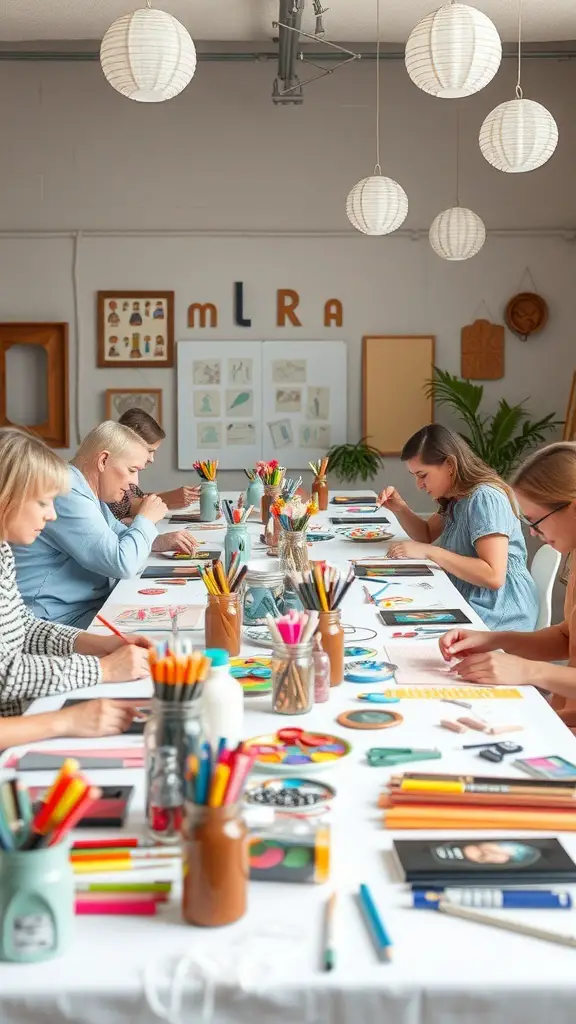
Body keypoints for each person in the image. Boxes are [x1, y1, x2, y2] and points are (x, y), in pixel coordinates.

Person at [0, 427, 151, 746]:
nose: (53, 515)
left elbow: (23, 627)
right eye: (43, 503)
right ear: (6, 497)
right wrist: (102, 671)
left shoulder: (3, 553)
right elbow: (6, 675)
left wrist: (100, 644)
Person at [13, 421, 197, 630]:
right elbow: (121, 563)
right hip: (54, 619)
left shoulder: (86, 489)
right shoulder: (67, 492)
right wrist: (145, 520)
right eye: (131, 470)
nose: (135, 482)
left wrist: (159, 540)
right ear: (103, 460)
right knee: (168, 634)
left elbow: (118, 534)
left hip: (83, 608)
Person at [440, 442, 576, 707]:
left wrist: (528, 670)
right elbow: (566, 637)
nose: (533, 533)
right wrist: (490, 639)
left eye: (535, 520)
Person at [378, 424, 538, 631]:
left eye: (422, 475)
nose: (419, 485)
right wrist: (400, 509)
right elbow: (425, 535)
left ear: (450, 465)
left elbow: (493, 576)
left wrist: (430, 552)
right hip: (470, 595)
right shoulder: (456, 496)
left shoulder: (485, 498)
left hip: (499, 609)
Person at [107, 408, 200, 521]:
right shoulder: (110, 469)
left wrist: (170, 497)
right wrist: (168, 499)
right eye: (150, 451)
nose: (152, 459)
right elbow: (124, 506)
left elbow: (133, 497)